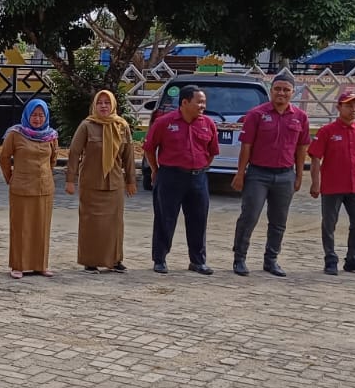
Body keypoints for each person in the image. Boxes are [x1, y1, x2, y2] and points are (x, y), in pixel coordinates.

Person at [230, 71, 311, 277]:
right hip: (258, 174)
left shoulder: (300, 117)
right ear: (271, 91)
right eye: (277, 89)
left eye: (286, 90)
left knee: (279, 221)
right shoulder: (256, 114)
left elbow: (301, 148)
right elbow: (246, 146)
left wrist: (299, 175)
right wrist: (240, 173)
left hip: (285, 175)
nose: (281, 93)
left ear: (293, 93)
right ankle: (239, 258)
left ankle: (271, 259)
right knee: (249, 216)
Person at [144, 85, 218, 275]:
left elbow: (211, 152)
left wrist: (201, 167)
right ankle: (160, 259)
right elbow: (150, 148)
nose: (203, 106)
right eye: (199, 102)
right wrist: (156, 170)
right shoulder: (164, 122)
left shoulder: (208, 123)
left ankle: (198, 261)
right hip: (170, 177)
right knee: (165, 219)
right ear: (185, 102)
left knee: (198, 220)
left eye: (204, 102)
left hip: (198, 178)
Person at [65, 90, 137, 273]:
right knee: (91, 224)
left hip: (114, 184)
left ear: (113, 104)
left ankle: (114, 260)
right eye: (100, 103)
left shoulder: (122, 126)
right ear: (94, 106)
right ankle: (90, 261)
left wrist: (131, 180)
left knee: (114, 224)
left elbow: (129, 156)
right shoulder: (87, 126)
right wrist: (70, 180)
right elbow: (74, 152)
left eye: (107, 102)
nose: (103, 106)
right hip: (91, 183)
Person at [308, 91, 355, 276]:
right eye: (349, 105)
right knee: (329, 223)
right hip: (332, 185)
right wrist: (315, 183)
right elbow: (315, 158)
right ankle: (330, 258)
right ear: (339, 107)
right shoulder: (327, 131)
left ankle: (353, 258)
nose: (354, 109)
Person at [0, 99, 58, 278]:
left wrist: (46, 175)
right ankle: (18, 265)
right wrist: (11, 178)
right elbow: (4, 158)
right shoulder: (15, 134)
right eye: (34, 115)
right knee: (21, 227)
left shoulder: (51, 136)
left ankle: (41, 264)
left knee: (42, 227)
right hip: (21, 188)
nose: (37, 119)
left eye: (41, 115)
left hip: (44, 189)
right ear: (27, 115)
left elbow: (53, 159)